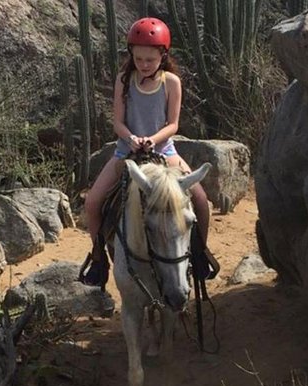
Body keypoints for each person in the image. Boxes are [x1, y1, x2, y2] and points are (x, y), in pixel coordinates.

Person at [80, 17, 211, 287]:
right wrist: (131, 138)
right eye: (139, 59)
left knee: (201, 200)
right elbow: (118, 121)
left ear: (163, 56)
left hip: (164, 152)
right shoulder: (124, 80)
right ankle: (98, 258)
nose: (143, 64)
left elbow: (173, 124)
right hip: (124, 154)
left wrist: (151, 140)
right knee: (93, 202)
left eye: (150, 59)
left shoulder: (171, 82)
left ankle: (199, 254)